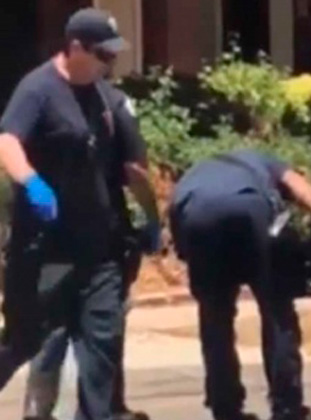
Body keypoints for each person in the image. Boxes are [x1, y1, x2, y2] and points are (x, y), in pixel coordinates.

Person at [0, 7, 160, 420]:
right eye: (103, 54)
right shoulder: (38, 89)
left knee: (101, 346)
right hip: (44, 252)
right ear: (75, 48)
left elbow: (133, 170)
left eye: (113, 55)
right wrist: (31, 182)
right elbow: (7, 141)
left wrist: (151, 218)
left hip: (100, 252)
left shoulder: (108, 98)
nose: (110, 63)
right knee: (24, 341)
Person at [168, 149, 311, 420]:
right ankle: (287, 406)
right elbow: (301, 188)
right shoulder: (265, 161)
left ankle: (226, 408)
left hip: (197, 217)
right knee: (277, 313)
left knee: (214, 321)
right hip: (250, 210)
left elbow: (180, 237)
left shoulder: (191, 176)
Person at [21, 88, 153, 420]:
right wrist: (152, 219)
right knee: (103, 330)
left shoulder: (40, 96)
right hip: (100, 237)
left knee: (51, 329)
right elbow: (134, 170)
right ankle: (103, 408)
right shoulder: (116, 101)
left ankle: (38, 410)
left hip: (45, 237)